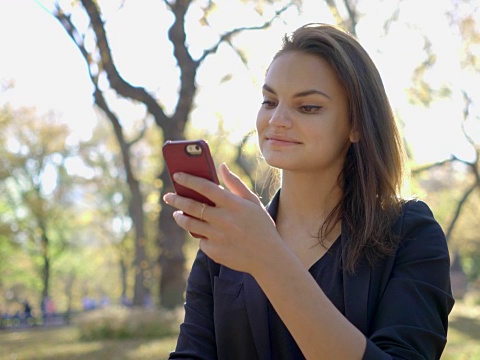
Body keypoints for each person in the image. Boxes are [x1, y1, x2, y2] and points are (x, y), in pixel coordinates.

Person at [163, 23, 454, 359]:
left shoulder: (412, 234)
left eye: (308, 107)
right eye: (269, 101)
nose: (276, 120)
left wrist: (268, 257)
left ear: (357, 124)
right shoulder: (227, 239)